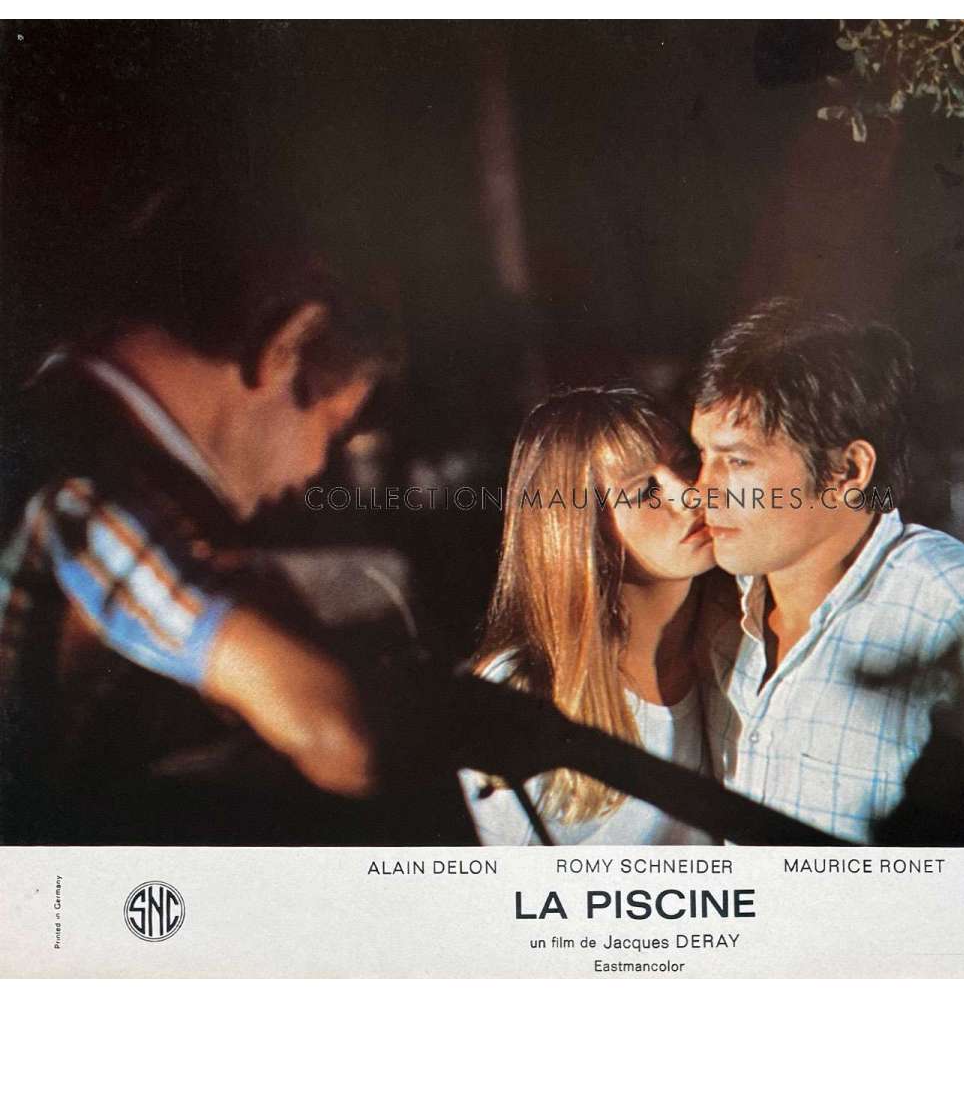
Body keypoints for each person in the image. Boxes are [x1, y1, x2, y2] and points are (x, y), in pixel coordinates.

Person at [0, 181, 409, 843]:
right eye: (333, 429)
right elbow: (339, 738)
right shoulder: (76, 486)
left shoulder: (44, 416)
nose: (316, 468)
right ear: (283, 348)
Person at [689, 300, 964, 844]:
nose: (702, 491)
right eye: (702, 455)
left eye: (737, 461)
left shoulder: (961, 615)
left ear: (847, 469)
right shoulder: (722, 602)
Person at [462, 387, 725, 845]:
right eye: (644, 491)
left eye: (686, 463)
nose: (688, 496)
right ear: (585, 529)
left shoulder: (739, 645)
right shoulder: (521, 690)